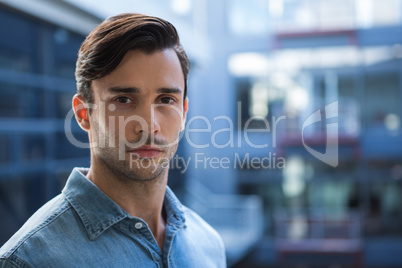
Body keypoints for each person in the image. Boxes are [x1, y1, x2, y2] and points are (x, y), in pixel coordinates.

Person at [0, 13, 226, 267]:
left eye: (165, 100)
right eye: (124, 100)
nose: (149, 126)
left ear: (184, 113)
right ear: (84, 114)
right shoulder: (28, 260)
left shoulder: (208, 245)